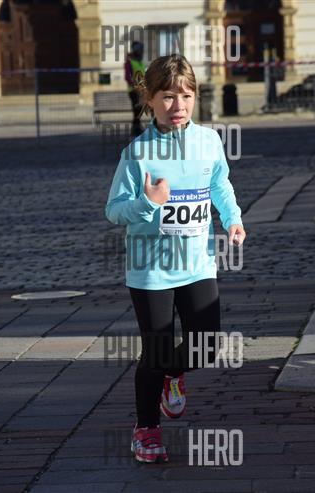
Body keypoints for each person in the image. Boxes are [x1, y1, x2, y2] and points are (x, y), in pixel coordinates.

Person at [105, 54, 246, 463]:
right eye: (167, 96)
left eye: (186, 96)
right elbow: (114, 210)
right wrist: (148, 203)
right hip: (151, 270)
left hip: (198, 265)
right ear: (149, 99)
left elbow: (220, 184)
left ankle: (174, 373)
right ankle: (146, 429)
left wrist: (233, 219)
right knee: (157, 351)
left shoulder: (209, 141)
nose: (178, 106)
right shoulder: (138, 153)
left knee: (206, 347)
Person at [124, 41, 146, 136]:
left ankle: (136, 128)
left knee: (139, 110)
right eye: (140, 49)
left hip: (141, 91)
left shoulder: (140, 61)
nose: (142, 51)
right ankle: (136, 129)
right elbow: (128, 77)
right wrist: (135, 86)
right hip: (133, 91)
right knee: (137, 109)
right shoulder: (129, 62)